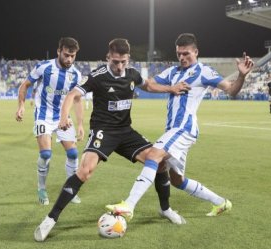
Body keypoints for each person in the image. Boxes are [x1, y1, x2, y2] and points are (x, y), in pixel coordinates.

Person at [34, 38, 190, 242]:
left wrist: (171, 88)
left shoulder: (133, 73)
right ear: (108, 57)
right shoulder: (98, 76)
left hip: (125, 131)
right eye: (115, 61)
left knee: (161, 162)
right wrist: (64, 117)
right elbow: (72, 94)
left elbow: (149, 86)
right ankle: (50, 219)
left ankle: (165, 208)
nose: (119, 66)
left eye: (123, 62)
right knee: (84, 170)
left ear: (128, 59)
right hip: (103, 131)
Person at [106, 33, 254, 222]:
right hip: (173, 131)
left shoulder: (204, 72)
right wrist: (126, 72)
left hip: (184, 129)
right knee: (177, 180)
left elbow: (232, 90)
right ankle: (221, 202)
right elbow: (149, 84)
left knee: (153, 155)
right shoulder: (172, 72)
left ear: (196, 52)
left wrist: (241, 76)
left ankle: (129, 205)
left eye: (186, 54)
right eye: (179, 54)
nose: (182, 58)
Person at [15, 37, 84, 206]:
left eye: (72, 56)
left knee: (73, 154)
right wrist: (21, 106)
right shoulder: (44, 67)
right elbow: (25, 85)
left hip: (63, 117)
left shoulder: (75, 74)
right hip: (43, 116)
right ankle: (42, 189)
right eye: (66, 55)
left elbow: (77, 100)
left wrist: (81, 124)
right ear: (59, 51)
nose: (69, 59)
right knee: (46, 154)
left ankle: (70, 190)